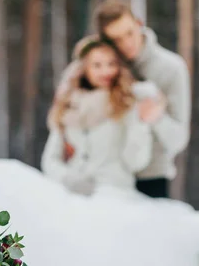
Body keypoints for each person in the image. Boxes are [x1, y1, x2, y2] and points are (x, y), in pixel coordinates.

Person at [93, 0, 191, 199]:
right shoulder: (98, 67)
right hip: (104, 176)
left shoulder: (171, 69)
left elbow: (178, 140)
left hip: (150, 179)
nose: (126, 43)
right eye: (116, 39)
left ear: (139, 23)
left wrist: (156, 118)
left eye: (129, 33)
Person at [41, 35, 156, 197]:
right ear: (83, 68)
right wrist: (69, 178)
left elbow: (136, 162)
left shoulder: (127, 105)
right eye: (97, 65)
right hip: (73, 198)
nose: (106, 71)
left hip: (116, 196)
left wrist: (142, 124)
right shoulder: (67, 107)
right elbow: (50, 161)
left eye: (112, 64)